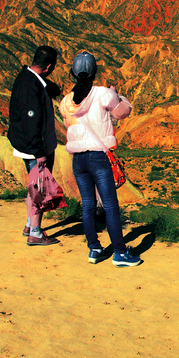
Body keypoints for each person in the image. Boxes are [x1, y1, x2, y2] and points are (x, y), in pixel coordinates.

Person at [58, 51, 142, 267]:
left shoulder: (66, 101)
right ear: (94, 72)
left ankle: (94, 249)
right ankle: (120, 253)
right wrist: (118, 95)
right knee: (111, 206)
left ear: (73, 74)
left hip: (78, 160)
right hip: (98, 157)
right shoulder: (103, 94)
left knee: (88, 206)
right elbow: (122, 112)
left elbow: (69, 123)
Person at [8, 45, 62, 246]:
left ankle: (30, 225)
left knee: (33, 186)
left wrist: (51, 89)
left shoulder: (27, 77)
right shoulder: (31, 88)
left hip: (25, 145)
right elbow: (32, 122)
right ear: (48, 66)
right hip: (35, 148)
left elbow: (42, 87)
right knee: (40, 189)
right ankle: (36, 234)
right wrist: (40, 152)